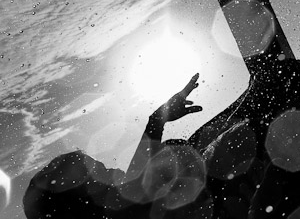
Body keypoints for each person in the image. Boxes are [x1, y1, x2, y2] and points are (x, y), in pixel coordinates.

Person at [24, 75, 207, 219]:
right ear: (83, 201)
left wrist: (157, 120)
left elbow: (137, 179)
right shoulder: (136, 210)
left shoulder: (125, 208)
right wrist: (157, 120)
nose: (108, 168)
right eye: (96, 170)